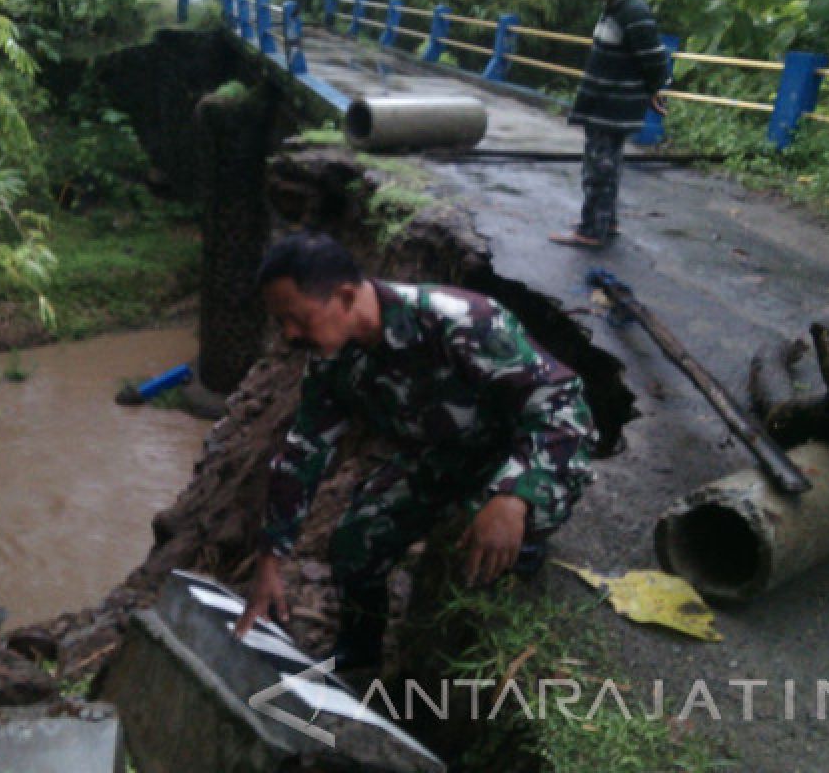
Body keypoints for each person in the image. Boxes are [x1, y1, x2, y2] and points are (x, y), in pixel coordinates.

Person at [233, 231, 595, 668]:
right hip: (441, 456)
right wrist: (271, 559)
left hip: (515, 453)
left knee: (491, 559)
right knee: (354, 540)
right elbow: (303, 453)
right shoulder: (332, 358)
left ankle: (512, 567)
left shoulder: (461, 322)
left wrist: (515, 495)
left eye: (297, 318)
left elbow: (562, 405)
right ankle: (360, 653)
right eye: (281, 322)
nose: (290, 334)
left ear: (345, 297)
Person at [550, 0, 669, 249]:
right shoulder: (616, 8)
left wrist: (654, 90)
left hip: (612, 106)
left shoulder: (633, 11)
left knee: (598, 169)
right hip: (605, 103)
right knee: (607, 166)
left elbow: (654, 58)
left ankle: (591, 230)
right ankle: (604, 221)